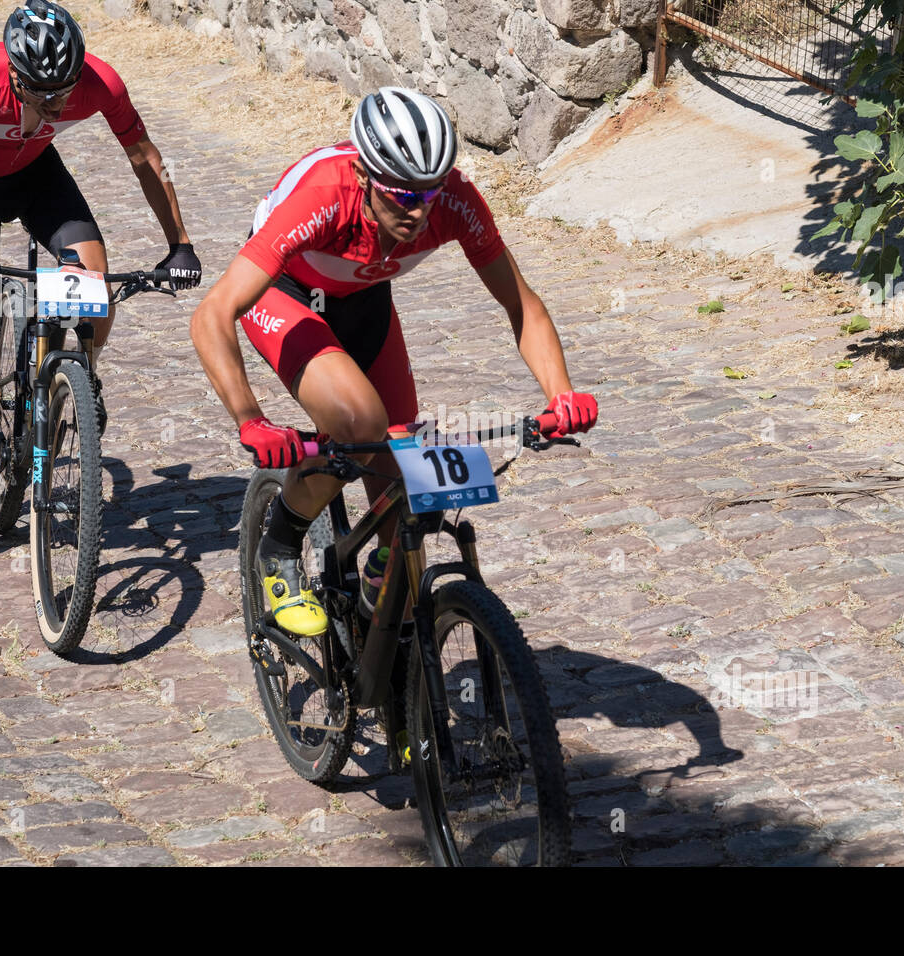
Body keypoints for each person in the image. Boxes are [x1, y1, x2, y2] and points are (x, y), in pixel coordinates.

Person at [190, 87, 598, 637]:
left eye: (429, 192)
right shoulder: (323, 196)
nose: (418, 209)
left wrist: (561, 394)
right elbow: (212, 313)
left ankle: (388, 652)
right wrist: (251, 419)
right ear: (364, 175)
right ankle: (279, 547)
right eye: (402, 195)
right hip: (284, 294)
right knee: (360, 423)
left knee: (404, 474)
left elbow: (520, 303)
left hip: (364, 301)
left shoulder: (452, 199)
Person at [0, 0, 202, 514]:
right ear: (14, 74)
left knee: (96, 289)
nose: (57, 106)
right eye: (41, 94)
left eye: (64, 92)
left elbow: (144, 155)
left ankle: (81, 378)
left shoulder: (100, 81)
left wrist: (180, 243)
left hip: (38, 178)